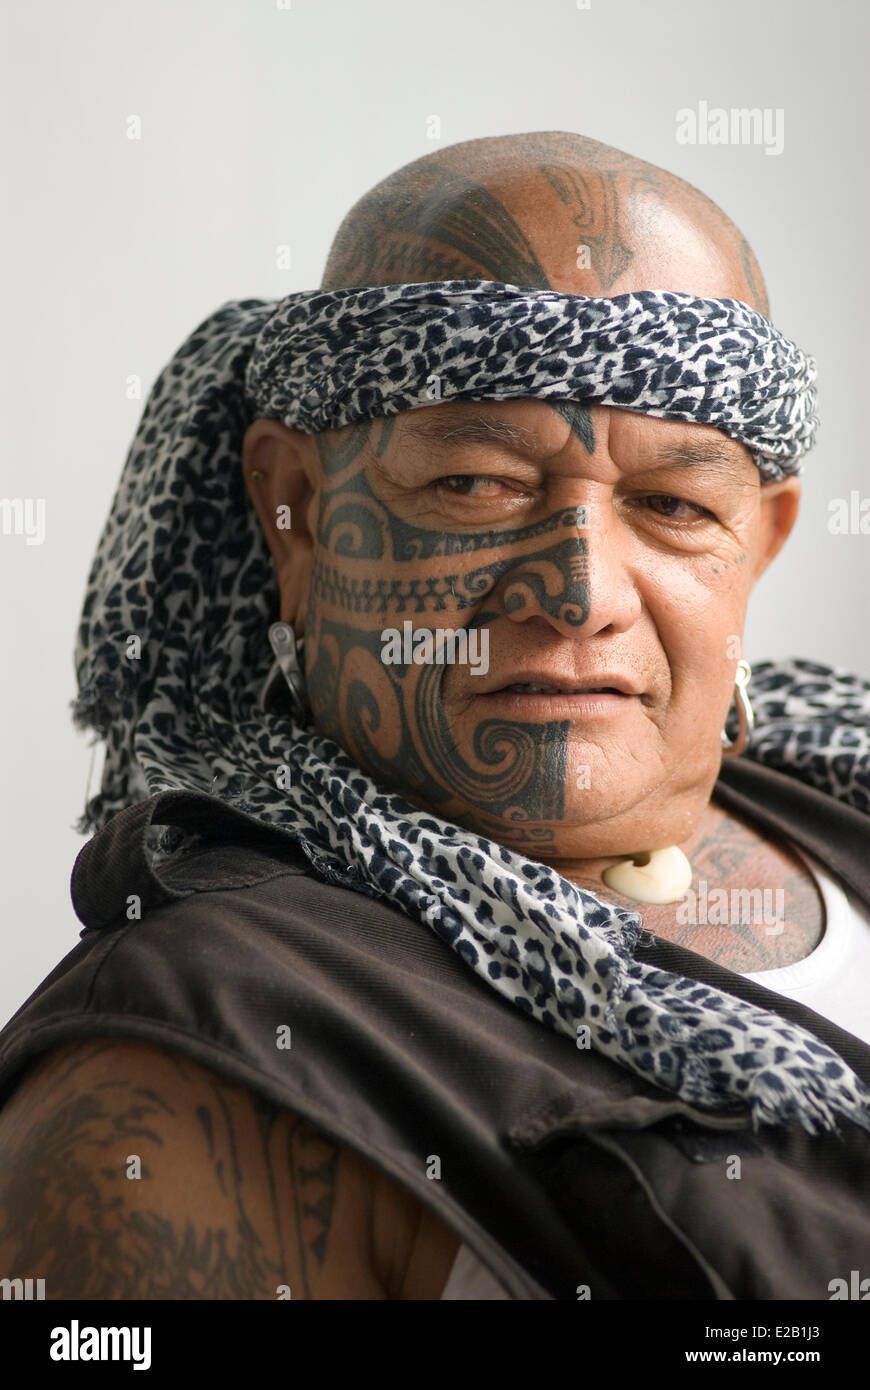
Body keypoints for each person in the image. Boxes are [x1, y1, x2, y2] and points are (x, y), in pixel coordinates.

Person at [0, 130, 869, 1302]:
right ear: (295, 512)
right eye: (477, 485)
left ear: (756, 542)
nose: (578, 592)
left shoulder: (835, 786)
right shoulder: (199, 1065)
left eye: (671, 504)